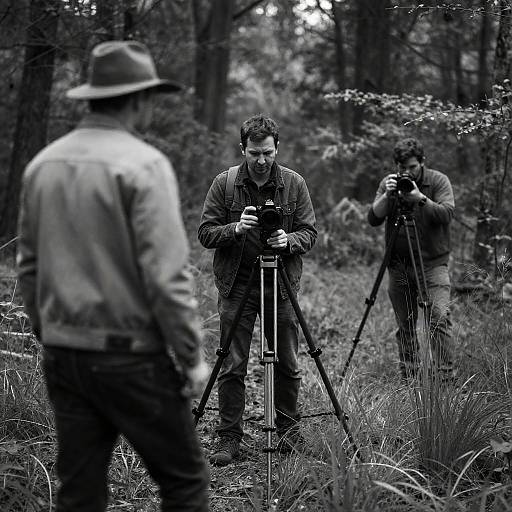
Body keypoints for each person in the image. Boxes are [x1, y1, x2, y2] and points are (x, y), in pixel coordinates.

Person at [16, 40, 209, 512]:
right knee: (184, 483)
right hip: (132, 358)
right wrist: (191, 358)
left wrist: (52, 333)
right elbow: (166, 278)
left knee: (79, 491)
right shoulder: (144, 166)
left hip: (64, 354)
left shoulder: (43, 165)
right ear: (140, 98)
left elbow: (29, 267)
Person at [198, 114, 317, 466]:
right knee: (232, 363)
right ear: (243, 149)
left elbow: (309, 233)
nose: (262, 160)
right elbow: (205, 233)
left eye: (267, 153)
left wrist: (288, 240)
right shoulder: (226, 183)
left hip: (280, 284)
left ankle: (288, 434)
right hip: (237, 285)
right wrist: (235, 228)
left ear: (277, 148)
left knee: (288, 362)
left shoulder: (294, 184)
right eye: (254, 153)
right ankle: (229, 438)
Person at [368, 137, 455, 382]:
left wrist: (420, 198)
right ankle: (410, 378)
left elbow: (447, 214)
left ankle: (446, 379)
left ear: (422, 163)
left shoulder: (437, 181)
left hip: (433, 265)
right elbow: (373, 218)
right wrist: (387, 195)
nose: (407, 173)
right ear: (396, 166)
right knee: (404, 325)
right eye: (402, 168)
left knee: (438, 318)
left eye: (412, 167)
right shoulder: (389, 183)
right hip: (398, 267)